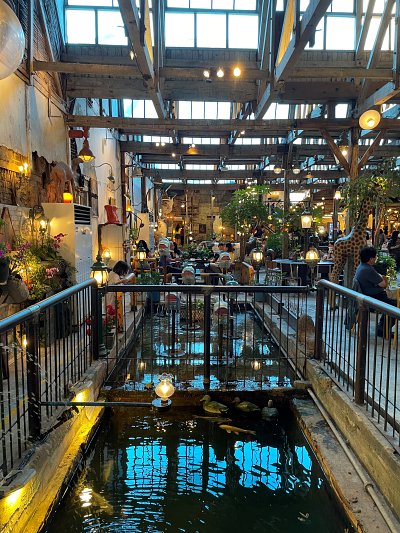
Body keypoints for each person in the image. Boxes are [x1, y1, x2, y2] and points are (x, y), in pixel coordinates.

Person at [355, 247, 397, 337]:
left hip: (368, 295)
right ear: (371, 258)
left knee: (393, 302)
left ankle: (382, 327)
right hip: (374, 296)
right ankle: (383, 329)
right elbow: (383, 284)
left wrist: (377, 282)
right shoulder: (369, 269)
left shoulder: (361, 266)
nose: (376, 258)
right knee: (395, 306)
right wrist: (379, 281)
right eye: (375, 256)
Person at [106, 261, 130, 330]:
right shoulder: (116, 275)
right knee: (111, 308)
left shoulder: (111, 273)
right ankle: (109, 324)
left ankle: (108, 323)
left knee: (108, 308)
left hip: (107, 293)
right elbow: (117, 282)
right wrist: (123, 281)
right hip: (112, 294)